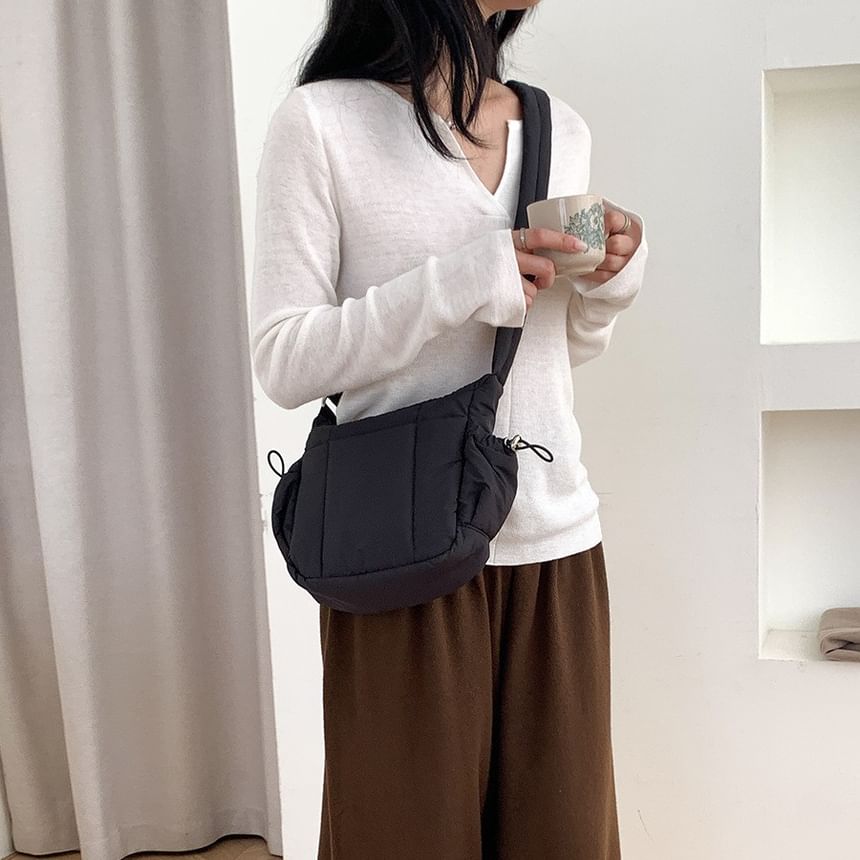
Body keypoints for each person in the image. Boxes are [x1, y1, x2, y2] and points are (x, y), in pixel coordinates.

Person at [250, 0, 649, 856]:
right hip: (400, 550)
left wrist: (609, 286)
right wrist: (459, 282)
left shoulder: (559, 128)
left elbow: (557, 354)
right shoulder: (322, 123)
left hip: (553, 538)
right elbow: (284, 359)